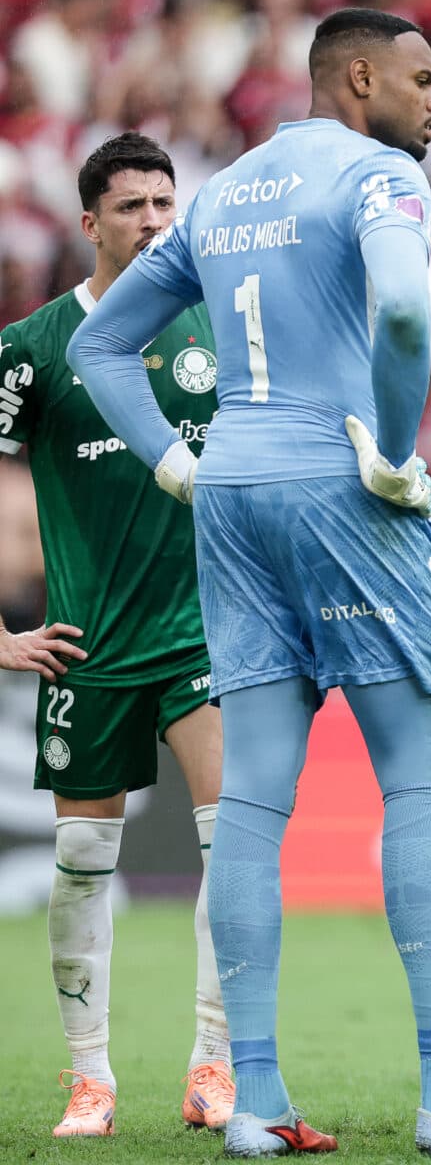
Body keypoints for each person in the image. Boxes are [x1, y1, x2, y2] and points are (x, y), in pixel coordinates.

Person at [66, 8, 431, 1157]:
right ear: (360, 78)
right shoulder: (381, 175)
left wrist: (172, 460)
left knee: (251, 801)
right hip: (343, 485)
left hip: (234, 487)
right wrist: (396, 446)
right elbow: (401, 309)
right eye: (423, 78)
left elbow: (98, 346)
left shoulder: (223, 189)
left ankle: (252, 1099)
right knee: (421, 785)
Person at [0, 133, 231, 1138]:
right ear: (90, 222)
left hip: (206, 636)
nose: (152, 222)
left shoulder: (213, 327)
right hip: (86, 645)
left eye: (165, 204)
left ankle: (215, 1065)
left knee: (239, 847)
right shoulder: (33, 348)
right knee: (83, 858)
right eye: (132, 205)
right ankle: (90, 1075)